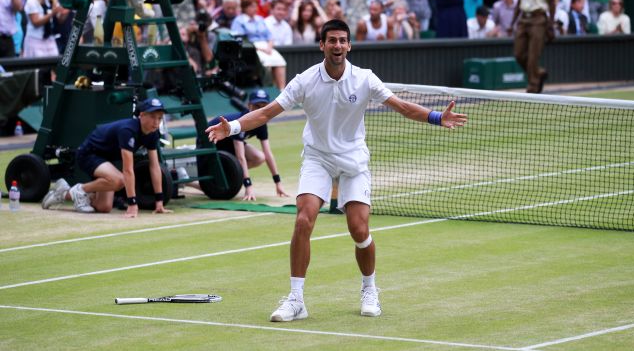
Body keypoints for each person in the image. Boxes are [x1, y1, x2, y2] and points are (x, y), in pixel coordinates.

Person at [205, 19, 467, 322]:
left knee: (359, 230)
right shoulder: (304, 80)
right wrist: (234, 126)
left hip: (353, 161)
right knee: (303, 219)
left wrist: (436, 117)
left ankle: (370, 288)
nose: (338, 46)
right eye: (332, 41)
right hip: (317, 158)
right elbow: (267, 112)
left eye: (343, 40)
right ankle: (296, 299)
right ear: (322, 45)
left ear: (349, 45)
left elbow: (402, 106)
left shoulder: (365, 79)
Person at [42, 98, 172, 217]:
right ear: (141, 115)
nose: (156, 122)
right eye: (153, 117)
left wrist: (159, 202)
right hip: (88, 154)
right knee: (119, 180)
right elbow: (127, 170)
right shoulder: (128, 130)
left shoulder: (152, 133)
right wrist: (132, 204)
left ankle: (63, 193)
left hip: (105, 160)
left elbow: (154, 166)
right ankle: (80, 190)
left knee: (103, 207)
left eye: (160, 118)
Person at [207, 89, 289, 201]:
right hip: (211, 143)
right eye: (257, 105)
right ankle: (194, 183)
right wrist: (248, 186)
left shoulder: (261, 123)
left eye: (263, 106)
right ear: (249, 105)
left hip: (228, 146)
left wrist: (278, 183)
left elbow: (267, 153)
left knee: (259, 157)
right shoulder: (240, 122)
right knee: (215, 186)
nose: (260, 109)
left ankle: (229, 175)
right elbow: (241, 158)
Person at [511, 0, 555, 94]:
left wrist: (550, 24)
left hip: (538, 19)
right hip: (524, 19)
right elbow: (518, 1)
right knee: (518, 54)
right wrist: (512, 22)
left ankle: (533, 87)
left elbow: (551, 1)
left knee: (533, 56)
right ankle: (539, 72)